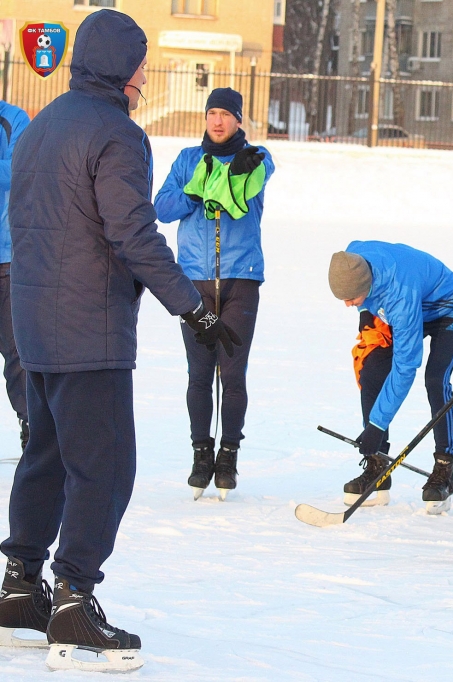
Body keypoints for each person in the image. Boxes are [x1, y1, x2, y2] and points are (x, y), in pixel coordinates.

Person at [0, 10, 238, 670]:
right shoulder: (116, 134)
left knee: (45, 453)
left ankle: (21, 586)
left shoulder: (40, 126)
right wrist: (193, 308)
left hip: (33, 317)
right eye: (139, 62)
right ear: (120, 66)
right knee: (103, 466)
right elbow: (131, 233)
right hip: (87, 326)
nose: (142, 74)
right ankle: (74, 600)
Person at [154, 87, 274, 500]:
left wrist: (224, 178)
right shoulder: (189, 159)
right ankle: (201, 453)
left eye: (225, 114)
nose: (217, 121)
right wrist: (195, 190)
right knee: (199, 374)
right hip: (194, 284)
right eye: (212, 114)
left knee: (233, 372)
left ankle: (228, 454)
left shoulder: (257, 157)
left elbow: (239, 197)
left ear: (239, 120)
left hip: (241, 279)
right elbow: (162, 206)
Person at [327, 242, 453, 512]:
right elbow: (360, 295)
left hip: (447, 306)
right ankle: (378, 467)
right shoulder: (353, 257)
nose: (347, 305)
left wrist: (376, 425)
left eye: (352, 299)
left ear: (366, 285)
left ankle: (444, 467)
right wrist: (364, 311)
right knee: (371, 370)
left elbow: (405, 367)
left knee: (435, 379)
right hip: (403, 305)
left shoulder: (399, 294)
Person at [0, 99, 29, 453]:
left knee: (19, 356)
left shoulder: (14, 119)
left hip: (9, 262)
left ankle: (31, 426)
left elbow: (21, 169)